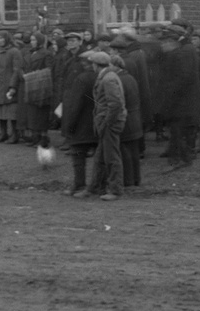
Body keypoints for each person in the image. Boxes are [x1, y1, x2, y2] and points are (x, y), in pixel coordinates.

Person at [157, 25, 200, 170]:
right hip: (184, 100)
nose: (164, 43)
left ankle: (178, 160)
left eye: (166, 40)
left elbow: (182, 78)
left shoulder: (182, 52)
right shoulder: (187, 49)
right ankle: (183, 159)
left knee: (177, 131)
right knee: (179, 131)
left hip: (180, 101)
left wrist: (169, 95)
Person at [89, 51, 126, 201]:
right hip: (107, 121)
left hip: (110, 122)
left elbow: (115, 104)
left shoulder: (108, 79)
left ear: (96, 65)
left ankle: (115, 190)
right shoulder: (108, 76)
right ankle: (95, 187)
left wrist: (107, 123)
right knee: (101, 156)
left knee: (111, 157)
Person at [61, 51, 98, 197]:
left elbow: (75, 105)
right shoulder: (101, 76)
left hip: (81, 125)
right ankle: (96, 185)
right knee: (100, 158)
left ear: (84, 63)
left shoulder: (81, 79)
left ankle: (79, 184)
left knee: (78, 157)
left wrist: (69, 125)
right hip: (97, 123)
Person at [110, 53, 142, 191]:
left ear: (115, 66)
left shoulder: (118, 80)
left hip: (125, 119)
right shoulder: (130, 78)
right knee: (133, 150)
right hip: (135, 118)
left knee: (124, 150)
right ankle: (136, 179)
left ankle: (128, 181)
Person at [0, 30, 23, 143]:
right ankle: (3, 133)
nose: (0, 40)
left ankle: (15, 135)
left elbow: (17, 70)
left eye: (2, 38)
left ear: (7, 39)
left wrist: (13, 86)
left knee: (11, 113)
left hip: (8, 87)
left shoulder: (14, 51)